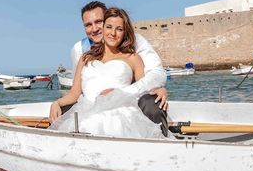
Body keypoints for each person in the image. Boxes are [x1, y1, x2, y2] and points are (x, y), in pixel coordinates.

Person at [49, 7, 167, 139]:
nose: (113, 33)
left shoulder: (133, 58)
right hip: (87, 110)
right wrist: (57, 103)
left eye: (119, 29)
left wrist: (159, 89)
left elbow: (143, 88)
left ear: (124, 32)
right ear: (103, 28)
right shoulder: (85, 58)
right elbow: (74, 93)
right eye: (109, 27)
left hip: (120, 112)